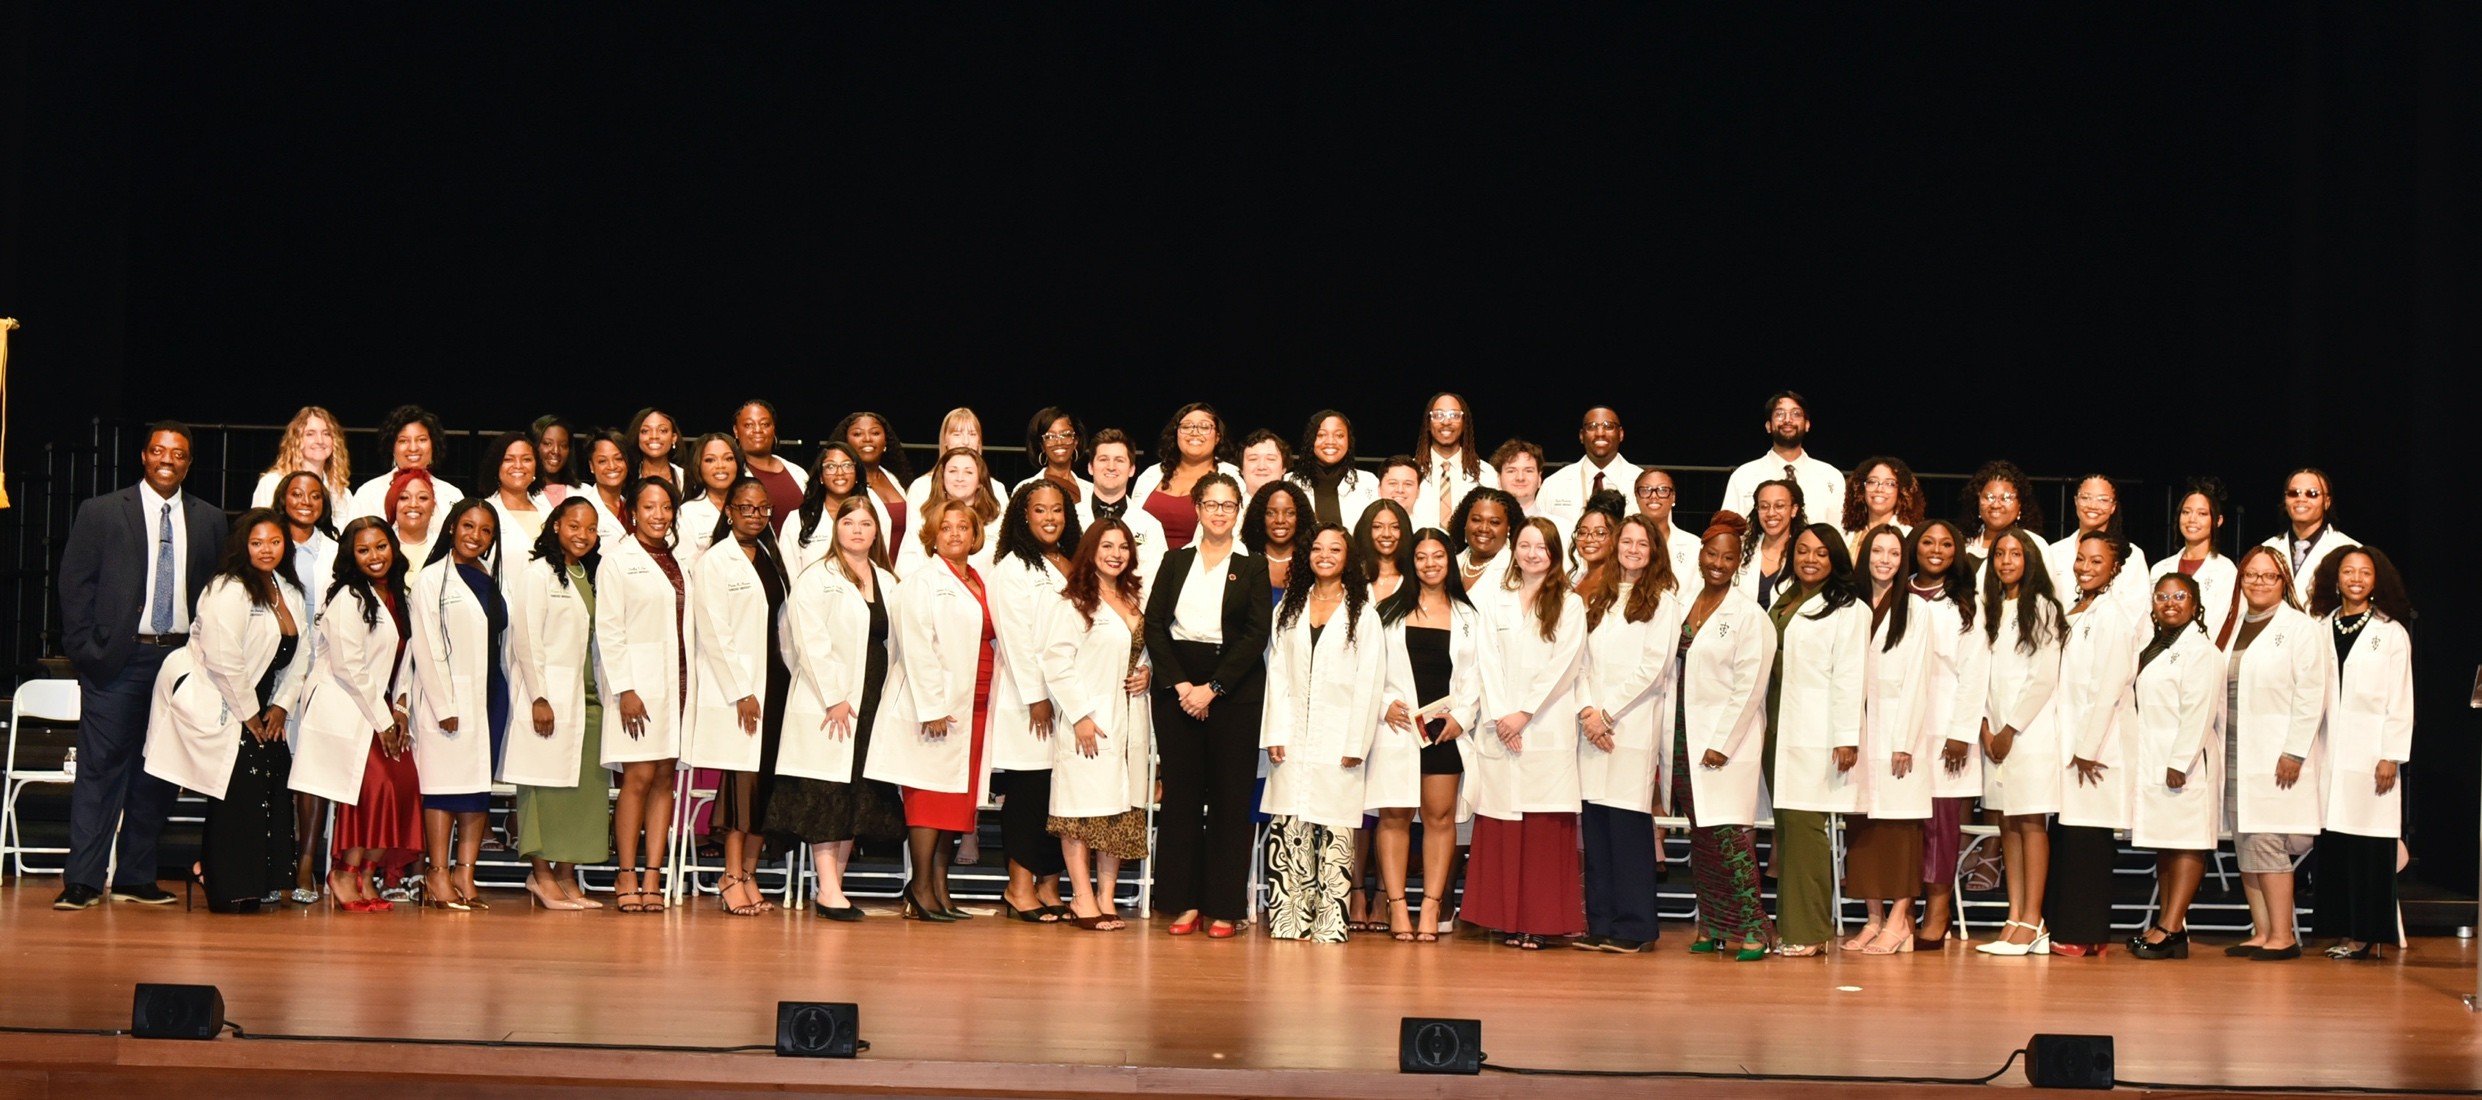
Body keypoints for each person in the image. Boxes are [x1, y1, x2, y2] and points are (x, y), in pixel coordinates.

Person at [53, 421, 227, 910]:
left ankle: (135, 876)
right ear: (144, 456)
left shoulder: (210, 519)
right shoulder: (103, 511)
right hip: (117, 659)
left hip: (180, 662)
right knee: (100, 770)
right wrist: (86, 650)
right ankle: (84, 879)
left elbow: (218, 594)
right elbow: (75, 586)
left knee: (160, 772)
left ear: (189, 463)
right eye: (158, 450)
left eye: (178, 453)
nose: (167, 459)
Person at [141, 509, 311, 912]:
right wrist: (249, 713)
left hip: (264, 707)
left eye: (274, 541)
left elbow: (303, 656)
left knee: (266, 789)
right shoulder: (228, 588)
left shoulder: (288, 589)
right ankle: (224, 884)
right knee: (237, 793)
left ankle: (257, 883)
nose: (266, 550)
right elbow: (223, 657)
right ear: (242, 545)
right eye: (257, 543)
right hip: (221, 698)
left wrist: (281, 707)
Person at [1142, 473, 1272, 938]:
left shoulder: (1252, 564)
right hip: (1177, 682)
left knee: (1229, 800)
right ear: (1197, 509)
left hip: (1233, 687)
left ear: (1238, 512)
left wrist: (1212, 688)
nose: (1219, 512)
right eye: (1211, 504)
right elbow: (1155, 625)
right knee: (1180, 798)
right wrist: (1181, 686)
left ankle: (1224, 906)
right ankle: (1183, 902)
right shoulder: (1174, 561)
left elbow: (1257, 633)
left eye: (1228, 505)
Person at [770, 496, 907, 921]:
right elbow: (807, 640)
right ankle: (827, 889)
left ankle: (837, 885)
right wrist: (832, 696)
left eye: (866, 523)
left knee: (856, 796)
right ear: (837, 528)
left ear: (876, 531)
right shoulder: (817, 578)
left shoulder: (888, 580)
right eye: (849, 522)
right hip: (831, 702)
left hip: (872, 699)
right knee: (826, 793)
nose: (858, 530)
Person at [866, 499, 1002, 921]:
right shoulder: (921, 581)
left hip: (975, 703)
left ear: (976, 534)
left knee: (956, 804)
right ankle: (920, 887)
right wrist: (932, 706)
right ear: (932, 535)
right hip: (938, 708)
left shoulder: (980, 580)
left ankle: (940, 890)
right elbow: (917, 646)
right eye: (947, 528)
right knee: (929, 800)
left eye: (964, 526)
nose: (957, 533)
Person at [1465, 518, 1588, 950]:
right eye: (1525, 545)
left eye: (1541, 547)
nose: (1532, 553)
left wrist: (1524, 714)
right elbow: (1485, 660)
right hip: (1501, 729)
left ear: (1555, 553)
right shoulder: (1494, 599)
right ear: (1514, 549)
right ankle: (1506, 920)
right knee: (1502, 826)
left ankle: (1541, 920)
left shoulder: (1569, 604)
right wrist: (1502, 715)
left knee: (1541, 830)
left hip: (1545, 726)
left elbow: (1565, 666)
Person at [1258, 524, 1384, 943]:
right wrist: (1275, 729)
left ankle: (1329, 924)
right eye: (1316, 548)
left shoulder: (1362, 612)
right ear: (1306, 555)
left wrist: (1356, 742)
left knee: (1334, 830)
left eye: (1335, 549)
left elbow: (1371, 680)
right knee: (1290, 825)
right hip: (1291, 736)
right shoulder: (1288, 609)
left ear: (1348, 558)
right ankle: (1288, 920)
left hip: (1338, 738)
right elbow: (1276, 675)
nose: (1325, 555)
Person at [288, 516, 419, 912]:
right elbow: (350, 667)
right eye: (363, 550)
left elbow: (408, 660)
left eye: (381, 546)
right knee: (375, 785)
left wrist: (400, 709)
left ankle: (367, 874)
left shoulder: (400, 595)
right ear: (351, 556)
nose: (374, 557)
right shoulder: (350, 597)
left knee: (404, 780)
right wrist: (383, 721)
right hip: (344, 708)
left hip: (380, 707)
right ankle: (344, 871)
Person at [1573, 514, 1683, 953]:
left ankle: (1635, 927)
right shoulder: (1597, 596)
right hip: (1591, 730)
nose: (1633, 549)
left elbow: (1653, 667)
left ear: (1655, 550)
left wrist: (1607, 713)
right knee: (1596, 829)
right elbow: (1578, 661)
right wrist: (1586, 711)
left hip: (1629, 728)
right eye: (1627, 542)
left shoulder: (1664, 600)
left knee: (1628, 827)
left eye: (1643, 543)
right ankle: (1601, 922)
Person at [1040, 517, 1155, 931]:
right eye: (1107, 546)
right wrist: (1081, 716)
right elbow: (1056, 662)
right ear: (1091, 550)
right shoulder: (1072, 601)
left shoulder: (1131, 598)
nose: (1116, 554)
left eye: (1123, 547)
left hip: (1131, 721)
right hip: (1091, 720)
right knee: (1080, 812)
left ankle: (1107, 897)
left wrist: (1148, 674)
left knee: (1120, 813)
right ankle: (1082, 897)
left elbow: (1140, 652)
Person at [1673, 512, 1778, 960]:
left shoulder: (1749, 616)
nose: (1718, 563)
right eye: (1712, 554)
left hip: (1723, 744)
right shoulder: (1685, 603)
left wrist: (1724, 742)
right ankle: (1712, 923)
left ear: (1739, 562)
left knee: (1729, 839)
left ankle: (1756, 929)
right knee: (1702, 838)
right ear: (1700, 555)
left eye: (1728, 557)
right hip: (1683, 735)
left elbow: (1751, 687)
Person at [687, 478, 793, 916]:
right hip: (743, 690)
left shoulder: (770, 556)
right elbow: (715, 633)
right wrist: (741, 691)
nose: (755, 515)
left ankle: (749, 874)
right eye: (746, 508)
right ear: (729, 510)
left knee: (765, 785)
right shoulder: (715, 561)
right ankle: (729, 875)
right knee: (741, 787)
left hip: (776, 683)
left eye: (763, 509)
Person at [1762, 523, 1868, 957]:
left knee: (1807, 833)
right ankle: (1793, 928)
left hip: (1817, 733)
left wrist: (1846, 737)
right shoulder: (1785, 598)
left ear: (1836, 560)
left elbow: (1849, 676)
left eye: (1821, 553)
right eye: (1802, 550)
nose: (1809, 559)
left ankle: (1811, 932)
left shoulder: (1849, 608)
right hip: (1777, 729)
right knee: (1787, 834)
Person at [501, 498, 612, 910]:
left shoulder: (590, 574)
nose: (583, 535)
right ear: (555, 527)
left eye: (591, 528)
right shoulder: (538, 574)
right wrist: (539, 696)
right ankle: (541, 876)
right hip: (548, 698)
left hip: (590, 700)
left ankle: (567, 877)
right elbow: (526, 640)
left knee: (582, 794)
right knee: (544, 790)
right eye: (574, 526)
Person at [1372, 527, 1480, 943]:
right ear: (1410, 562)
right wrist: (1384, 705)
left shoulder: (1469, 616)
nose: (1430, 563)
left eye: (1438, 556)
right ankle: (1398, 907)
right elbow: (1370, 669)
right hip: (1398, 730)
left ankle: (1432, 908)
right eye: (1421, 557)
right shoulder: (1388, 612)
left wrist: (1464, 716)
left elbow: (1477, 675)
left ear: (1449, 561)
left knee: (1438, 818)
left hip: (1444, 732)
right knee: (1395, 818)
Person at [2222, 547, 2330, 960]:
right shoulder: (2232, 624)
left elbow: (2311, 694)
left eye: (2268, 576)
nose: (2258, 582)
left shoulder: (2300, 628)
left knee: (2268, 842)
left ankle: (2282, 935)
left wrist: (2294, 751)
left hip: (2274, 753)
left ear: (2283, 581)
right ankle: (2261, 930)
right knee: (2246, 844)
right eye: (2251, 575)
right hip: (2234, 747)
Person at [2309, 546, 2416, 960]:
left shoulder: (2390, 633)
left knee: (2370, 847)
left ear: (2377, 580)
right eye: (2348, 571)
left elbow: (2400, 700)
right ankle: (2342, 929)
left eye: (2365, 573)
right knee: (2335, 844)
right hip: (2328, 752)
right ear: (2335, 579)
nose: (2355, 578)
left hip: (2372, 758)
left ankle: (2366, 934)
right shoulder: (2319, 628)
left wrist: (2391, 754)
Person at [987, 480, 1083, 922]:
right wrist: (1036, 696)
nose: (1049, 518)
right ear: (1023, 516)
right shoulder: (1012, 567)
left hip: (1068, 696)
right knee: (1028, 793)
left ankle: (1049, 884)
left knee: (1056, 796)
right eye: (1040, 510)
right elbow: (1015, 638)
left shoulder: (1070, 561)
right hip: (1032, 702)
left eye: (1057, 510)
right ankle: (1018, 886)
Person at [597, 476, 693, 914]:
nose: (659, 515)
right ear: (633, 512)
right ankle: (627, 873)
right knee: (636, 779)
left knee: (664, 780)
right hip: (638, 688)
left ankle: (654, 875)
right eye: (649, 507)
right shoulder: (617, 561)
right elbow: (609, 630)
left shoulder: (680, 561)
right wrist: (626, 689)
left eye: (666, 507)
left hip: (678, 684)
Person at [407, 499, 508, 912]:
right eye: (468, 526)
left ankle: (466, 871)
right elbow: (426, 647)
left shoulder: (490, 576)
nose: (476, 536)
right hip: (447, 698)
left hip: (489, 693)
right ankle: (436, 873)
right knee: (443, 787)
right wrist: (443, 702)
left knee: (475, 788)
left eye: (486, 531)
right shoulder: (432, 580)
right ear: (451, 527)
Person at [2047, 534, 2143, 957]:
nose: (2085, 566)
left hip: (2095, 751)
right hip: (2072, 744)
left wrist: (2087, 747)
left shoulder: (2114, 617)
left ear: (2115, 567)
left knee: (2089, 844)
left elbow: (2110, 686)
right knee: (2072, 840)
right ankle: (2078, 932)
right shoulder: (2078, 609)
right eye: (2081, 559)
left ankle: (2087, 935)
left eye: (2097, 561)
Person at [1974, 527, 2068, 955]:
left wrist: (2010, 728)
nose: (2007, 561)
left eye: (2015, 554)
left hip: (2028, 732)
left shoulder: (2044, 608)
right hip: (1993, 732)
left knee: (2030, 822)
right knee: (2007, 823)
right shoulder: (1988, 608)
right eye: (2000, 554)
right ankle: (2014, 916)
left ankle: (2034, 920)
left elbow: (2042, 678)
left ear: (2030, 560)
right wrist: (1986, 728)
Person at [1842, 524, 1931, 955]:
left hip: (1897, 735)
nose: (1884, 560)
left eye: (1893, 553)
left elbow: (1918, 681)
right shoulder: (1849, 605)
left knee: (1899, 831)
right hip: (1857, 734)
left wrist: (1905, 741)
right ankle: (1874, 918)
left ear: (1903, 560)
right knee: (1863, 830)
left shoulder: (1915, 610)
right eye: (1877, 551)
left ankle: (1900, 919)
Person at [2126, 571, 2224, 960]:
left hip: (2184, 763)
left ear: (2195, 604)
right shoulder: (2155, 646)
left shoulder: (2202, 651)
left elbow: (2199, 711)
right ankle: (2170, 927)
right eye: (2162, 596)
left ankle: (2170, 926)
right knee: (2165, 844)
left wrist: (2180, 760)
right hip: (2155, 757)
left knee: (2186, 842)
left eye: (2179, 596)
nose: (2170, 603)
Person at [1909, 519, 1989, 948]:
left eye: (1945, 544)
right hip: (1898, 731)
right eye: (1927, 542)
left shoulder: (1964, 605)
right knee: (1904, 824)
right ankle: (1901, 907)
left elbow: (1975, 674)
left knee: (1940, 826)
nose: (1936, 550)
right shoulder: (1894, 593)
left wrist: (1960, 733)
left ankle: (1937, 912)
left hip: (1944, 731)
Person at [273, 469, 338, 904]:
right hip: (273, 673)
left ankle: (307, 864)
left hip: (325, 674)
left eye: (315, 495)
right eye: (297, 493)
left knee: (313, 774)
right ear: (283, 498)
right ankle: (272, 860)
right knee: (277, 772)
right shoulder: (268, 544)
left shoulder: (335, 551)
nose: (306, 501)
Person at [1719, 391, 1843, 527]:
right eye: (1779, 414)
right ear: (1768, 426)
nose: (1788, 420)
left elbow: (1842, 533)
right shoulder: (1743, 476)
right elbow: (1728, 532)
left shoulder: (1831, 477)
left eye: (1796, 414)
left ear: (1807, 425)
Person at [1135, 404, 1242, 551]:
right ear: (1176, 433)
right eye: (1186, 427)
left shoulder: (1233, 478)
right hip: (1145, 569)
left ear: (1218, 437)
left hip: (1203, 569)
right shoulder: (1150, 475)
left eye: (1204, 427)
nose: (1194, 432)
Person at [2151, 477, 2240, 645]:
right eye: (2186, 512)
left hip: (2203, 656)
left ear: (2218, 520)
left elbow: (2223, 625)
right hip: (2160, 656)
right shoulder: (2160, 569)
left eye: (2202, 513)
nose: (2192, 519)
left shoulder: (2225, 570)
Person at [2045, 474, 2149, 619]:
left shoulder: (2131, 555)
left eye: (2103, 500)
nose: (2093, 505)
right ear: (2076, 501)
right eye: (2086, 497)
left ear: (2113, 507)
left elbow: (2135, 610)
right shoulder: (2054, 552)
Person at [1077, 428, 1167, 591]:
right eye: (1103, 459)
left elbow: (1157, 585)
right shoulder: (1071, 519)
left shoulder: (1150, 526)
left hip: (1132, 613)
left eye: (1119, 460)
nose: (1111, 467)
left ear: (1132, 469)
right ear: (1090, 467)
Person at [894, 447, 1005, 577]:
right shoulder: (923, 520)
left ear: (980, 481)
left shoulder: (998, 521)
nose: (960, 478)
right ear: (943, 477)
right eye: (953, 471)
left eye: (968, 472)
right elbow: (906, 570)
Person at [349, 405, 464, 522]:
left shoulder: (451, 494)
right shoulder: (369, 493)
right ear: (391, 447)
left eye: (422, 440)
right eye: (403, 441)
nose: (413, 448)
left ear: (433, 445)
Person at [2264, 469, 2355, 606]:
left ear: (2327, 502)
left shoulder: (2349, 550)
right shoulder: (2267, 549)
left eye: (2312, 494)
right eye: (2294, 493)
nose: (2301, 499)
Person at [1410, 393, 1496, 533]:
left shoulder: (1486, 474)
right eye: (1438, 415)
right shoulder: (1411, 472)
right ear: (1428, 423)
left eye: (1454, 415)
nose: (1446, 422)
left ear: (1464, 424)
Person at [833, 410, 915, 553]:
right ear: (845, 442)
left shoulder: (895, 479)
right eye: (858, 434)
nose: (867, 439)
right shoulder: (842, 484)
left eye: (875, 433)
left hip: (905, 570)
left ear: (885, 442)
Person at [903, 408, 1008, 511]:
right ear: (945, 440)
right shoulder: (921, 487)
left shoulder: (996, 489)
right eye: (957, 434)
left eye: (972, 434)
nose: (966, 442)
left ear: (979, 442)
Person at [789, 441, 868, 576]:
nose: (840, 472)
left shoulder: (870, 516)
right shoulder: (798, 519)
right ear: (820, 477)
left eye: (847, 465)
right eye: (831, 466)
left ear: (856, 474)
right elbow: (791, 573)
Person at [250, 405, 351, 511]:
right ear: (295, 440)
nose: (320, 440)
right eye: (310, 434)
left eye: (326, 434)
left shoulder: (342, 493)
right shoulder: (272, 483)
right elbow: (258, 524)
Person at [1290, 410, 1376, 529]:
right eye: (1321, 435)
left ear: (1349, 441)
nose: (1330, 442)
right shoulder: (1290, 482)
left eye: (1339, 435)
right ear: (1310, 440)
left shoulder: (1369, 482)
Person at [1960, 459, 2046, 579]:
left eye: (2005, 498)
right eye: (1989, 497)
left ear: (2020, 504)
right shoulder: (1963, 544)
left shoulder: (2035, 544)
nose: (1995, 505)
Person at [673, 432, 746, 572]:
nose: (720, 466)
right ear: (698, 465)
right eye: (710, 460)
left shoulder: (753, 507)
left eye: (728, 459)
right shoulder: (687, 514)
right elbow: (685, 571)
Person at [732, 399, 808, 534]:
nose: (757, 430)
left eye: (765, 424)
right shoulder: (733, 474)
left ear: (773, 429)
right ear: (736, 431)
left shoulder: (798, 472)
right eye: (749, 424)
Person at [478, 430, 549, 568]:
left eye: (526, 459)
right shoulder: (483, 512)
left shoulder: (548, 512)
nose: (518, 466)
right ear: (496, 466)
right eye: (508, 459)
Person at [1734, 479, 1803, 609]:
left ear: (1794, 510)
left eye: (1780, 506)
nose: (1771, 513)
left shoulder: (1804, 554)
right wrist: (1687, 630)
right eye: (1764, 506)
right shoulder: (1738, 549)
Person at [1242, 480, 1310, 605]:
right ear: (1259, 516)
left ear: (1300, 517)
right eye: (1270, 513)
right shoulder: (1243, 560)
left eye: (1290, 513)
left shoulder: (1311, 562)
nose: (1280, 520)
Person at [1839, 457, 1923, 558]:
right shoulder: (1847, 535)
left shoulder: (1909, 536)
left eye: (1889, 484)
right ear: (1861, 489)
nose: (1879, 489)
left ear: (1901, 491)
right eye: (1872, 482)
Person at [1634, 467, 1701, 589]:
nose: (1654, 496)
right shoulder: (1623, 543)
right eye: (1645, 490)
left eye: (1662, 490)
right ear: (1637, 497)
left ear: (1673, 497)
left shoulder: (1694, 545)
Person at [1447, 486, 1519, 595]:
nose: (1484, 528)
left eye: (1494, 522)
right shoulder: (1449, 564)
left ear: (1508, 528)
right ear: (1464, 523)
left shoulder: (1517, 569)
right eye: (1476, 520)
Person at [1018, 406, 1090, 504]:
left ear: (1076, 441)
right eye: (1050, 437)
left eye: (1065, 435)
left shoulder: (1091, 490)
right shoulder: (1025, 489)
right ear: (1042, 445)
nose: (1059, 442)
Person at [581, 429, 634, 550]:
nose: (612, 466)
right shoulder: (582, 509)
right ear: (591, 466)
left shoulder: (631, 507)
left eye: (619, 459)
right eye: (602, 461)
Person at [386, 469, 441, 582]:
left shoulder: (445, 550)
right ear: (393, 504)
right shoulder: (381, 547)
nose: (413, 504)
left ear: (433, 506)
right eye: (404, 498)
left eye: (423, 498)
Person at [1355, 498, 1412, 602]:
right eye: (1377, 527)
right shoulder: (1353, 578)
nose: (1386, 534)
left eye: (1395, 527)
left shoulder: (1414, 580)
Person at [1566, 493, 1623, 585]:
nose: (1588, 539)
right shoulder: (1574, 580)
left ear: (1616, 538)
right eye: (1582, 532)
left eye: (1600, 533)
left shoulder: (1622, 586)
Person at [625, 407, 686, 489]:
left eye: (662, 430)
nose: (654, 436)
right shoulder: (626, 478)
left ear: (673, 438)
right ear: (637, 437)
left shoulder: (686, 480)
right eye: (645, 431)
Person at [1490, 439, 1548, 520]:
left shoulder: (1562, 528)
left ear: (1539, 478)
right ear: (1499, 479)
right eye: (1511, 471)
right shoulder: (1486, 529)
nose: (1520, 478)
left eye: (1528, 471)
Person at [529, 414, 579, 506]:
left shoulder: (585, 493)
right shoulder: (521, 494)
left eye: (563, 445)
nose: (556, 451)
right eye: (548, 443)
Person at [1237, 429, 1292, 500]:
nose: (1262, 466)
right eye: (1253, 459)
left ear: (1284, 468)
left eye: (1271, 459)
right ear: (1241, 468)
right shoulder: (1229, 509)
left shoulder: (1298, 509)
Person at [1374, 455, 1423, 521]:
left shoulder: (1428, 529)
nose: (1400, 490)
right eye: (1393, 483)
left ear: (1418, 491)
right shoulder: (1364, 528)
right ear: (1379, 488)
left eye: (1408, 484)